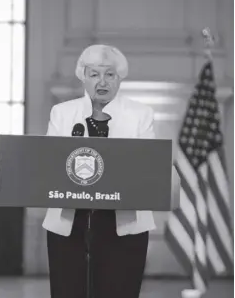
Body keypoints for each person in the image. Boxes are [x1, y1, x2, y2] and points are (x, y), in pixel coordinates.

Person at [43, 44, 157, 298]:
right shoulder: (62, 113)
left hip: (123, 223)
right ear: (83, 77)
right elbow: (48, 164)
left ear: (120, 78)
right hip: (70, 222)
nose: (102, 81)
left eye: (110, 74)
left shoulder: (140, 115)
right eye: (94, 74)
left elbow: (147, 167)